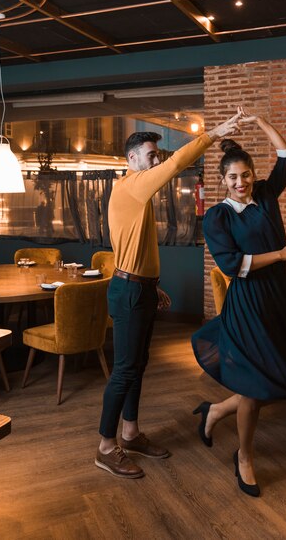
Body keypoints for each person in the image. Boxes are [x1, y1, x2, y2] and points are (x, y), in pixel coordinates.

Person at [95, 109, 244, 479]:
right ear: (132, 160)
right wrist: (215, 133)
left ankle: (129, 433)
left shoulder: (135, 190)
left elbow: (134, 245)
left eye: (156, 155)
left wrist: (151, 284)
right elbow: (179, 161)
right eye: (150, 155)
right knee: (124, 371)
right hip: (128, 290)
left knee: (137, 366)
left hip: (139, 287)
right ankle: (105, 447)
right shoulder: (133, 183)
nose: (156, 160)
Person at [191, 112, 286, 497]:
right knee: (256, 386)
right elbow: (233, 265)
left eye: (246, 175)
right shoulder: (217, 216)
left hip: (276, 300)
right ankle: (244, 457)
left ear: (253, 175)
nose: (241, 183)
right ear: (223, 181)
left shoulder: (267, 198)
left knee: (261, 382)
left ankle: (216, 411)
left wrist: (261, 121)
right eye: (233, 177)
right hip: (247, 306)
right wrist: (282, 253)